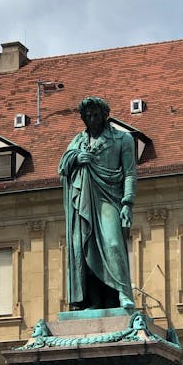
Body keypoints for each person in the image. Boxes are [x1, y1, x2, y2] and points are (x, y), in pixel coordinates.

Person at [58, 96, 137, 311]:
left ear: (105, 115)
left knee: (113, 243)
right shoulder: (78, 141)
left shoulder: (122, 139)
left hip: (109, 197)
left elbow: (130, 173)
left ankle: (122, 293)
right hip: (83, 200)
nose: (91, 119)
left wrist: (128, 203)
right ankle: (93, 301)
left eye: (95, 114)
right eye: (87, 115)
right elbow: (62, 166)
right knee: (83, 247)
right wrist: (76, 158)